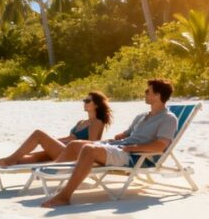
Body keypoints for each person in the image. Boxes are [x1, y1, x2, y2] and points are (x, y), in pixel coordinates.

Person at [41, 78, 178, 207]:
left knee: (89, 149)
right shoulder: (142, 116)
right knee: (75, 145)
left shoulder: (168, 119)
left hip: (134, 156)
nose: (145, 93)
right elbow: (127, 133)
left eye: (148, 91)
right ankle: (51, 173)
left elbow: (161, 145)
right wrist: (119, 137)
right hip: (121, 146)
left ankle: (65, 196)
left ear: (158, 95)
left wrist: (135, 147)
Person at [0, 91, 113, 167]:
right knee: (33, 156)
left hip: (75, 154)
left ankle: (8, 160)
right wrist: (51, 142)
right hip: (65, 150)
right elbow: (70, 138)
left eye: (87, 101)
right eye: (84, 100)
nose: (84, 103)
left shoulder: (96, 123)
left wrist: (47, 141)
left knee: (38, 134)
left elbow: (92, 144)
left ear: (95, 104)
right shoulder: (81, 122)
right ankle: (7, 161)